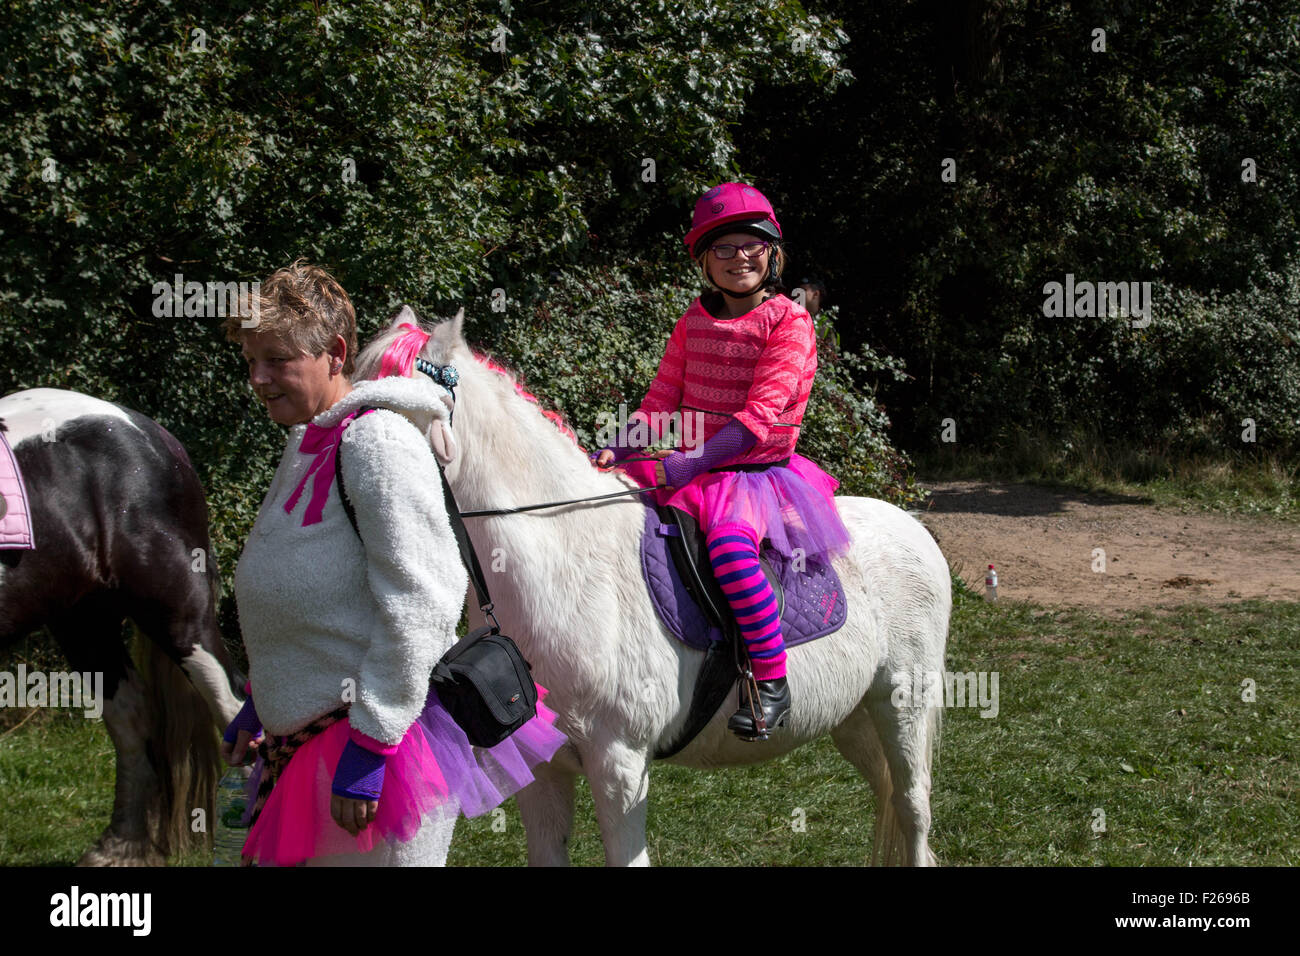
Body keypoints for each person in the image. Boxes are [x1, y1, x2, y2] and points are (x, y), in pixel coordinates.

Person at [221, 261, 564, 865]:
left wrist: (373, 745)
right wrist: (265, 696)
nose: (259, 378)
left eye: (277, 359)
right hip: (303, 740)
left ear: (335, 352)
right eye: (251, 360)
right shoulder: (307, 440)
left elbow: (424, 601)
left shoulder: (375, 441)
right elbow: (302, 592)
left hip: (372, 747)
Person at [594, 183, 851, 741]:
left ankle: (772, 679)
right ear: (706, 260)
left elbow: (758, 419)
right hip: (695, 463)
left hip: (753, 475)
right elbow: (663, 401)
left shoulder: (790, 322)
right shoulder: (694, 319)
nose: (740, 257)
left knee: (732, 551)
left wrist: (687, 465)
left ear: (772, 252)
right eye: (725, 248)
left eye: (751, 246)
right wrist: (621, 445)